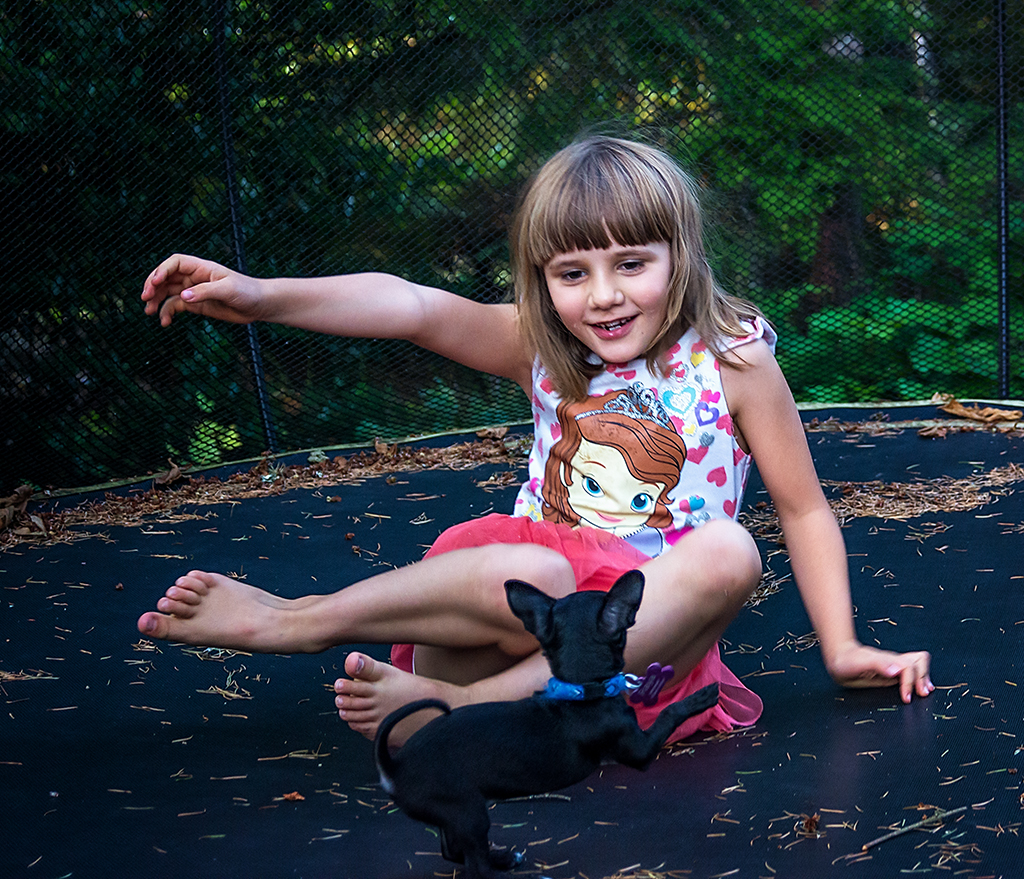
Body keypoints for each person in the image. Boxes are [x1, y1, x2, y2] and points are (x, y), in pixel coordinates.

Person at [137, 135, 933, 745]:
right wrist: (264, 296)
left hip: (628, 657)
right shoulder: (541, 344)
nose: (606, 295)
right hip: (518, 620)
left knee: (731, 549)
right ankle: (304, 619)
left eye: (631, 263)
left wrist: (843, 646)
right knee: (531, 562)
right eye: (572, 272)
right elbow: (411, 306)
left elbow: (801, 508)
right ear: (542, 279)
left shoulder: (732, 360)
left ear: (679, 256)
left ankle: (458, 711)